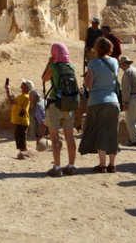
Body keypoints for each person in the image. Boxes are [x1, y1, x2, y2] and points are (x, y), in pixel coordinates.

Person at [79, 36, 121, 172]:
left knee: (100, 132)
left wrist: (86, 79)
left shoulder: (92, 64)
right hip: (113, 101)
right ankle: (112, 164)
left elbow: (89, 85)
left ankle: (102, 164)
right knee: (112, 133)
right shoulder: (115, 62)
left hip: (97, 101)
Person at [41, 42, 78, 177]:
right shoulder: (71, 66)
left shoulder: (54, 66)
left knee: (55, 138)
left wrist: (50, 62)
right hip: (69, 105)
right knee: (70, 137)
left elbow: (44, 78)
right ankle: (71, 166)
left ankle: (57, 168)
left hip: (55, 105)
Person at [4, 79, 31, 160]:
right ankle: (23, 154)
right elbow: (14, 101)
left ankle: (24, 155)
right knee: (20, 138)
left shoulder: (24, 96)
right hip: (21, 121)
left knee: (21, 139)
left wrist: (7, 91)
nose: (21, 85)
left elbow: (11, 102)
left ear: (27, 88)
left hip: (21, 122)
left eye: (23, 84)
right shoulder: (23, 96)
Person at [27, 80, 48, 151]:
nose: (29, 100)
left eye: (30, 98)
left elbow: (43, 124)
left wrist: (39, 137)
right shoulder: (44, 100)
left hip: (48, 129)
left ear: (33, 98)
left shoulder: (38, 107)